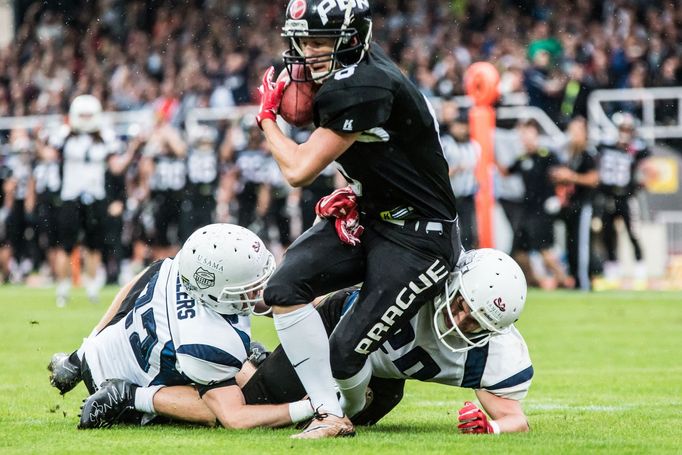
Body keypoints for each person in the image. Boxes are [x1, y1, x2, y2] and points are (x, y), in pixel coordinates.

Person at [256, 0, 460, 438]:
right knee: (283, 288)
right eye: (301, 41)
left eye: (317, 42)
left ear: (349, 39)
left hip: (419, 239)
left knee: (344, 354)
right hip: (373, 217)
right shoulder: (352, 72)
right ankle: (329, 414)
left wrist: (267, 120)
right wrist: (359, 189)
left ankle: (357, 403)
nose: (306, 53)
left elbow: (297, 170)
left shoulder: (365, 84)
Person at [79, 249, 532, 435]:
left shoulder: (498, 351)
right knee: (245, 409)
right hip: (337, 329)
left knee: (348, 427)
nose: (459, 321)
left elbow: (515, 419)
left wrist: (491, 427)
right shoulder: (416, 277)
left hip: (382, 379)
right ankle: (132, 397)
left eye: (475, 322)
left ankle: (256, 361)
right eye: (460, 306)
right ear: (450, 284)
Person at [47, 224, 315, 430]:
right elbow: (235, 417)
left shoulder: (177, 267)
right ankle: (130, 396)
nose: (260, 287)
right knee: (229, 405)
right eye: (251, 283)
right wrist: (310, 408)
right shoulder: (205, 340)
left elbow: (133, 288)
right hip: (122, 377)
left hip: (103, 351)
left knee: (245, 362)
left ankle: (87, 361)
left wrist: (82, 352)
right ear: (219, 290)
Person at [46, 95, 133, 306]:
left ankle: (92, 286)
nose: (85, 119)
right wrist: (38, 143)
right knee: (66, 245)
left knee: (94, 245)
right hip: (71, 195)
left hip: (96, 196)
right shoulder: (64, 135)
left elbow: (116, 167)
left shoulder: (105, 136)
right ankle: (63, 288)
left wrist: (133, 149)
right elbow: (49, 155)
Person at [595, 112, 651, 290]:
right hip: (608, 197)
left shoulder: (637, 149)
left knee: (633, 233)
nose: (625, 132)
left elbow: (645, 163)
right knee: (608, 235)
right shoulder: (606, 146)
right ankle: (612, 272)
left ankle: (640, 271)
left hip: (627, 197)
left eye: (628, 129)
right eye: (622, 128)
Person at [550, 117, 599, 291]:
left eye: (578, 131)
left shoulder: (588, 153)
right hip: (571, 206)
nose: (574, 135)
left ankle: (584, 282)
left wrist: (571, 176)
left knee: (582, 245)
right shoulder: (569, 153)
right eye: (572, 131)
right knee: (571, 245)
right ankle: (575, 280)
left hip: (584, 205)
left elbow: (594, 179)